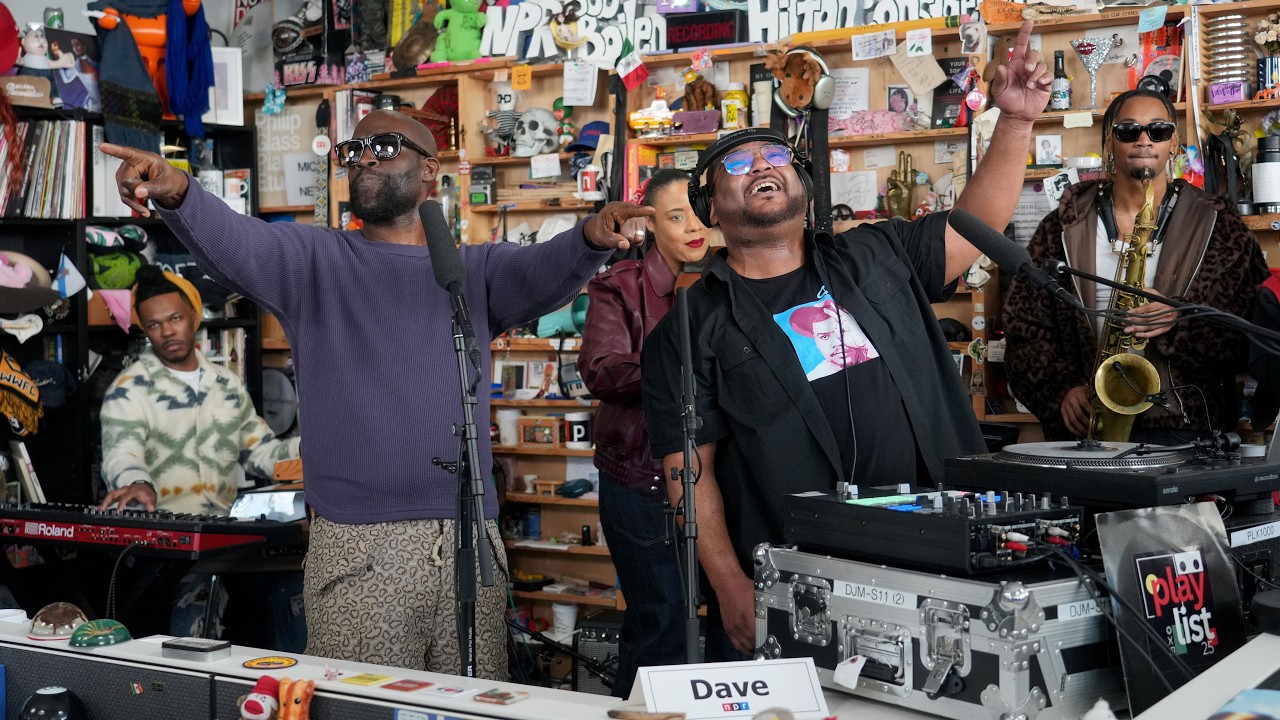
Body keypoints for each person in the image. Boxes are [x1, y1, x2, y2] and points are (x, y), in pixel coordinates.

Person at [101, 109, 650, 679]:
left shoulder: (467, 270)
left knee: (473, 708)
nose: (364, 157)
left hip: (470, 536)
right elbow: (237, 240)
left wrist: (591, 235)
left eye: (384, 147)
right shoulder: (313, 261)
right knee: (367, 707)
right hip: (360, 548)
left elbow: (542, 268)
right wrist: (178, 191)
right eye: (353, 149)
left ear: (430, 172)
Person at [640, 20, 1052, 657]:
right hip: (805, 571)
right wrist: (726, 584)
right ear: (712, 210)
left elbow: (978, 223)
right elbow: (689, 469)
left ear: (804, 185)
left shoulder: (878, 252)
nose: (761, 167)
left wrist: (1017, 122)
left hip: (942, 541)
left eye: (776, 157)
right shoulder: (690, 328)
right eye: (737, 165)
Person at [1004, 89, 1268, 443]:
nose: (1144, 140)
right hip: (1086, 431)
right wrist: (1061, 390)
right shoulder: (1059, 227)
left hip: (1187, 431)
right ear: (1109, 141)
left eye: (1157, 130)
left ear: (1173, 141)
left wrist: (1180, 321)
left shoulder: (1220, 225)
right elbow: (1025, 329)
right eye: (1128, 130)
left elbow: (1251, 333)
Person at [97, 266, 303, 645]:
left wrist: (317, 448)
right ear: (145, 328)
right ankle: (190, 703)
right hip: (165, 548)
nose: (168, 331)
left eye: (175, 318)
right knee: (201, 602)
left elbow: (262, 453)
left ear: (194, 315)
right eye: (155, 324)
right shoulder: (129, 390)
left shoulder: (225, 384)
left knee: (292, 588)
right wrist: (135, 482)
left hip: (230, 540)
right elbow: (121, 454)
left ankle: (293, 691)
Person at [578, 169, 710, 696]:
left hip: (718, 481)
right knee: (663, 623)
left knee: (724, 621)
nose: (692, 226)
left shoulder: (731, 281)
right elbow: (601, 370)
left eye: (698, 211)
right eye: (676, 216)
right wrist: (684, 367)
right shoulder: (621, 286)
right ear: (651, 226)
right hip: (642, 482)